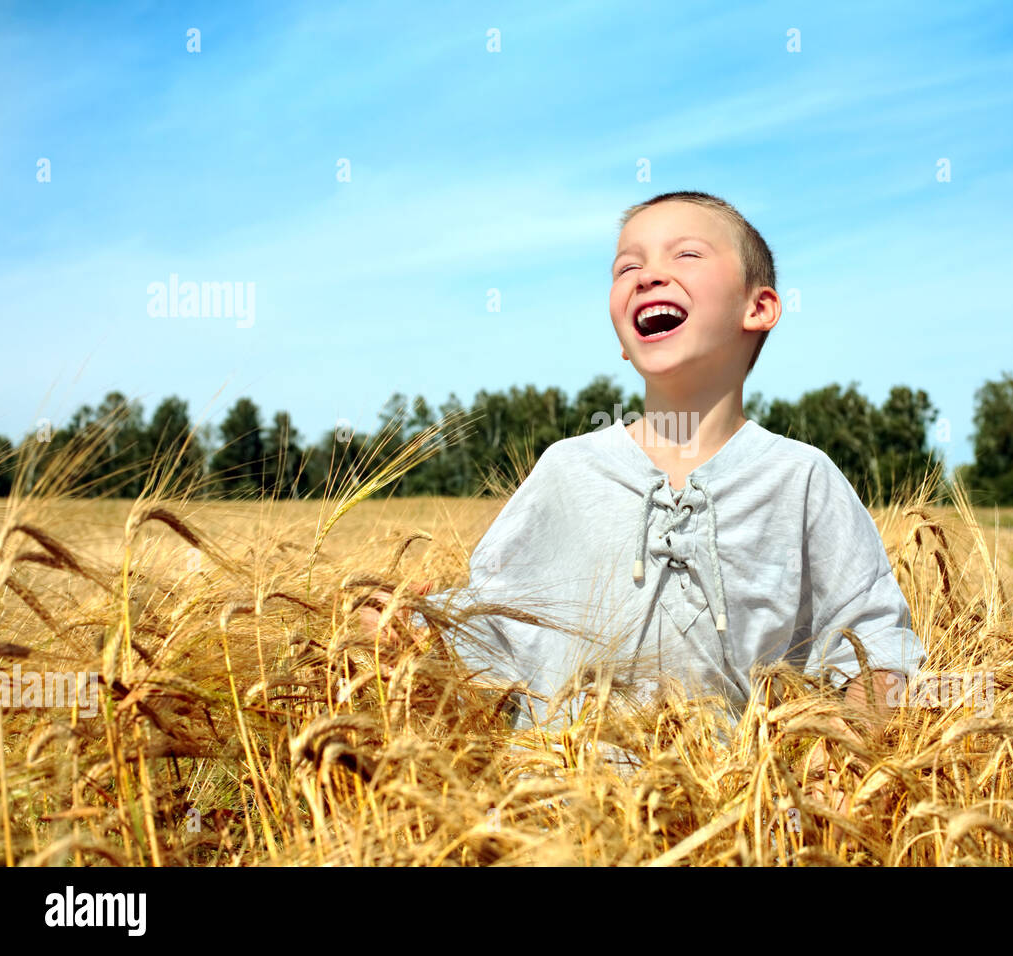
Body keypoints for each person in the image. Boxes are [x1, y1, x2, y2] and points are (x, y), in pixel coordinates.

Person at [364, 191, 926, 809]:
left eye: (686, 254)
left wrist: (842, 754)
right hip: (554, 813)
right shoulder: (566, 471)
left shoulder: (802, 479)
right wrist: (404, 626)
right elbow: (494, 627)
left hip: (727, 816)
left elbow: (876, 645)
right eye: (626, 267)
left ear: (759, 306)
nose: (649, 273)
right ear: (622, 341)